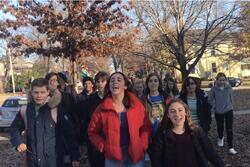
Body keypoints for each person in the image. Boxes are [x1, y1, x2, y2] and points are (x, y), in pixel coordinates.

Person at [9, 78, 80, 167]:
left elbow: (70, 134)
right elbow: (14, 128)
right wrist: (18, 142)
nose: (39, 95)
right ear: (31, 93)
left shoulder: (56, 109)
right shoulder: (26, 110)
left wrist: (75, 156)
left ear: (48, 92)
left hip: (54, 161)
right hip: (33, 161)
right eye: (36, 92)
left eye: (42, 92)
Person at [88, 72, 152, 167]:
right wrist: (103, 146)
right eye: (112, 80)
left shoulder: (137, 106)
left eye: (119, 80)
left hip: (135, 154)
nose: (115, 82)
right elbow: (92, 131)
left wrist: (142, 145)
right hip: (113, 157)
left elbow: (146, 127)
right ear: (109, 86)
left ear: (125, 86)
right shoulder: (102, 108)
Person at [149, 99, 225, 167]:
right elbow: (156, 158)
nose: (177, 114)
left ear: (185, 112)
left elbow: (210, 152)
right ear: (168, 115)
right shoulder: (162, 134)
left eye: (180, 110)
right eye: (173, 111)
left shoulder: (196, 131)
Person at [80, 71, 109, 167]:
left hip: (110, 137)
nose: (100, 84)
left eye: (103, 81)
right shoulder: (90, 100)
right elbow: (86, 120)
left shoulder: (112, 98)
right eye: (98, 81)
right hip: (95, 139)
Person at [209, 72, 237, 155]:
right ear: (217, 80)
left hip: (228, 110)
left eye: (223, 80)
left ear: (225, 80)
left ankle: (231, 147)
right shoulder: (213, 89)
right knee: (220, 127)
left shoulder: (229, 88)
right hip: (218, 111)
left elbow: (232, 97)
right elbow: (210, 100)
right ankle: (220, 137)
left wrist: (232, 106)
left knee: (229, 128)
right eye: (220, 80)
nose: (222, 82)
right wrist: (213, 107)